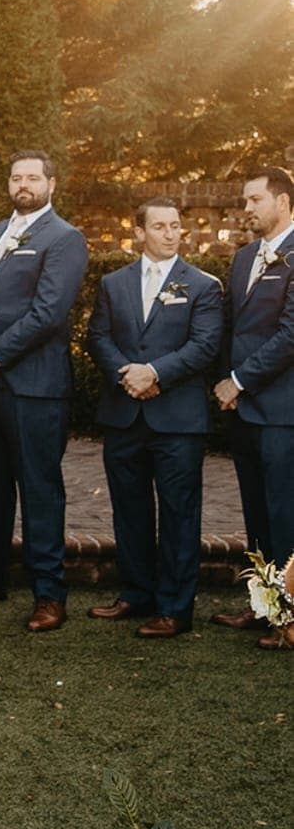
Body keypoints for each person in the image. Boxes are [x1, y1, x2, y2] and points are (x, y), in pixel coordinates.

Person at [0, 151, 88, 631]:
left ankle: (49, 594)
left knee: (40, 490)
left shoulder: (65, 238)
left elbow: (48, 313)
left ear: (51, 184)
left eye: (33, 177)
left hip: (35, 387)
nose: (23, 184)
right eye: (16, 177)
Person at [86, 199, 223, 638]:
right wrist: (126, 374)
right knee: (130, 509)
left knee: (180, 514)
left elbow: (204, 346)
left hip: (177, 420)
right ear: (139, 232)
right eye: (159, 226)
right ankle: (136, 593)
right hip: (124, 414)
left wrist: (155, 373)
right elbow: (98, 336)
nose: (169, 233)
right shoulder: (113, 283)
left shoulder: (202, 285)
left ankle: (175, 609)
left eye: (175, 226)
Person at [211, 165, 294, 647]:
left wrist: (237, 381)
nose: (246, 210)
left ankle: (289, 619)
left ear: (283, 202)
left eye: (254, 200)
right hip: (243, 410)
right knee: (257, 517)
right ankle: (265, 608)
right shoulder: (244, 258)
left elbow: (289, 336)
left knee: (286, 516)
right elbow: (231, 327)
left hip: (282, 411)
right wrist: (225, 382)